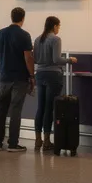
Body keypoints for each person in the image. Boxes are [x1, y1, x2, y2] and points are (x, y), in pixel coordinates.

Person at [0, 7, 34, 153]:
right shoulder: (24, 35)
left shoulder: (1, 33)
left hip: (3, 78)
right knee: (15, 110)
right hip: (19, 78)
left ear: (11, 17)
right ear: (23, 18)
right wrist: (32, 75)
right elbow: (28, 58)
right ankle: (13, 144)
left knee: (1, 109)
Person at [32, 16, 75, 152]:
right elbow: (56, 59)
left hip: (40, 74)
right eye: (59, 26)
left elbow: (35, 59)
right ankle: (47, 141)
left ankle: (37, 140)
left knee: (41, 107)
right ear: (55, 26)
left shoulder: (38, 39)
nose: (59, 29)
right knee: (49, 108)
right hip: (53, 75)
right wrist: (69, 60)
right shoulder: (56, 39)